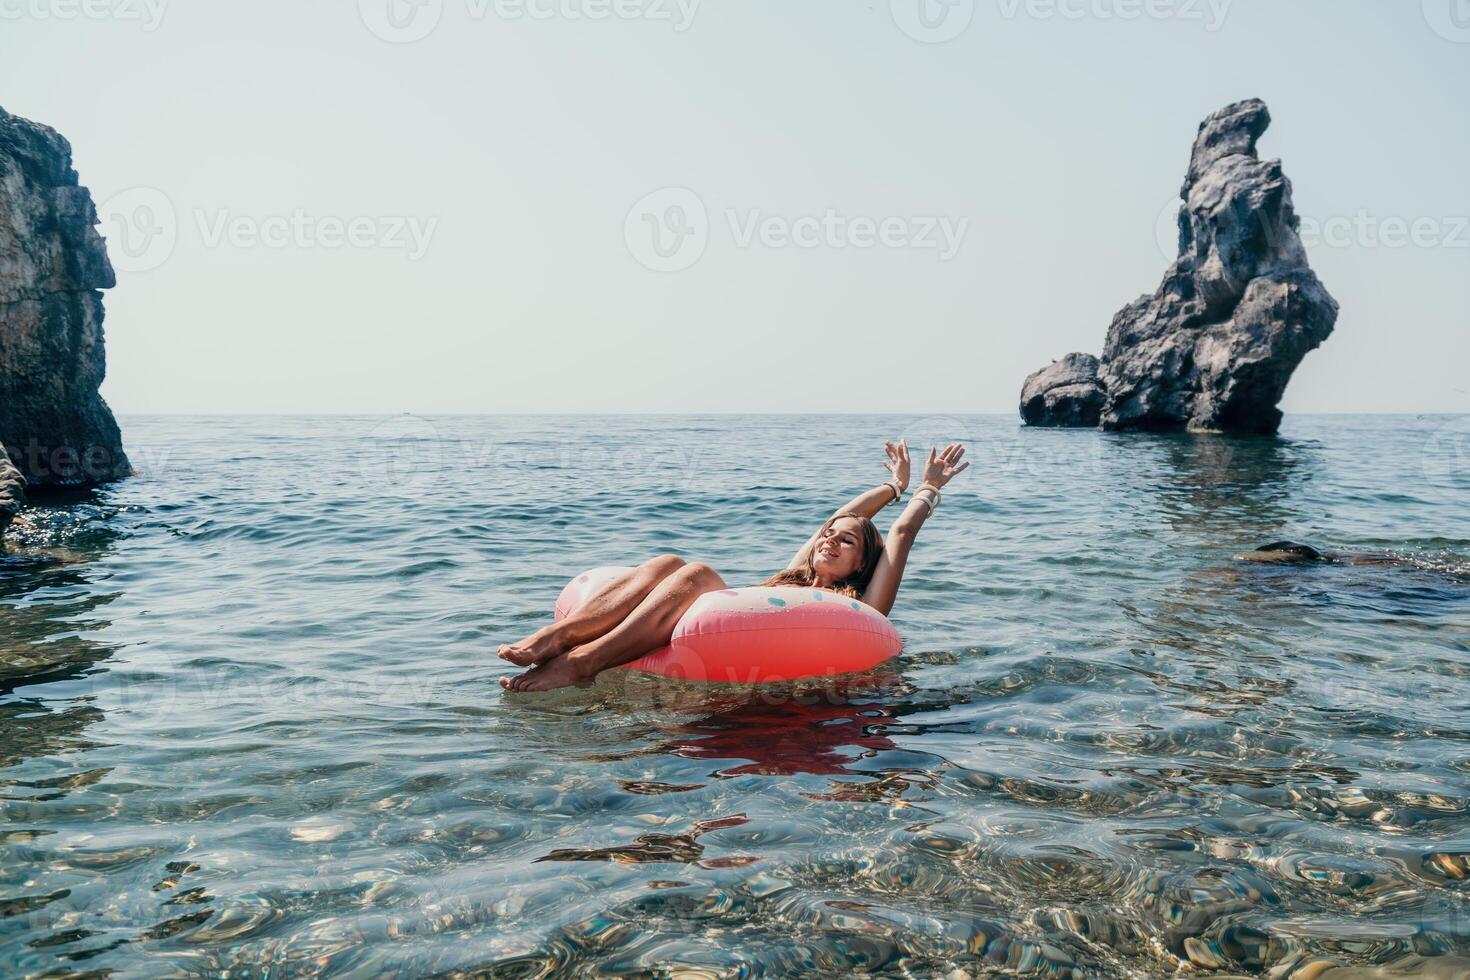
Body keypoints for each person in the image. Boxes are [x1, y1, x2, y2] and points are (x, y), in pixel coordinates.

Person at [498, 440, 969, 692]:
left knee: (699, 572)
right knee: (670, 561)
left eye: (845, 541)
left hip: (740, 645)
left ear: (863, 562)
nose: (829, 540)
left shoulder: (865, 603)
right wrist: (892, 486)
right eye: (828, 535)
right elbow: (838, 516)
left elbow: (901, 534)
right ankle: (559, 638)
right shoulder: (794, 576)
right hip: (688, 627)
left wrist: (926, 489)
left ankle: (583, 661)